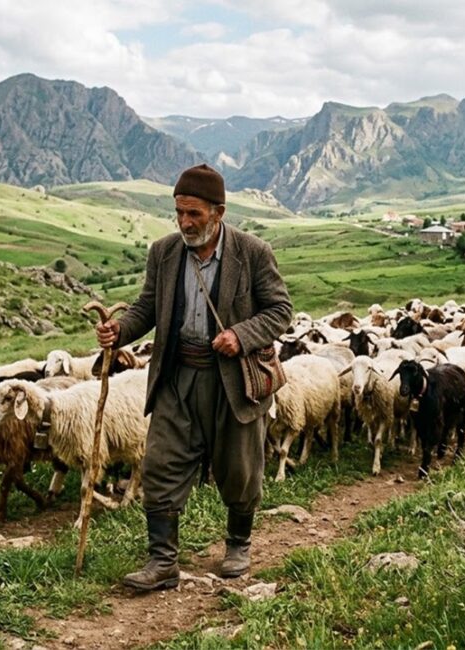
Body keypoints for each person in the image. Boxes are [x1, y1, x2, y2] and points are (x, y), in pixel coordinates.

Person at [96, 163, 292, 590]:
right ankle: (162, 560)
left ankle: (238, 544)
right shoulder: (164, 253)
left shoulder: (252, 253)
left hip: (233, 382)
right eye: (179, 213)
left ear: (218, 213)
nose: (185, 223)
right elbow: (147, 307)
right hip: (178, 377)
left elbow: (280, 310)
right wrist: (120, 331)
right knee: (160, 463)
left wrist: (240, 335)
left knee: (239, 469)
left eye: (194, 214)